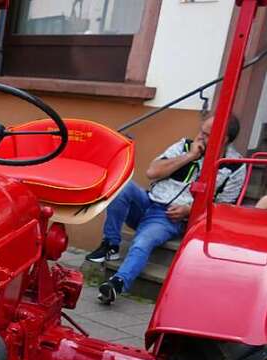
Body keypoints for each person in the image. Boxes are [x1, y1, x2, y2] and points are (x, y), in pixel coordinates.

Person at [87, 113, 246, 305]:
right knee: (122, 187)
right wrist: (190, 156)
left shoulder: (234, 167)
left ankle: (117, 283)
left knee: (143, 241)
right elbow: (152, 172)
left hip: (167, 216)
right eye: (200, 131)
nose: (200, 137)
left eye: (206, 134)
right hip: (148, 200)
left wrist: (190, 210)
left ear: (224, 138)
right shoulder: (185, 146)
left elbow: (224, 207)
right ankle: (111, 244)